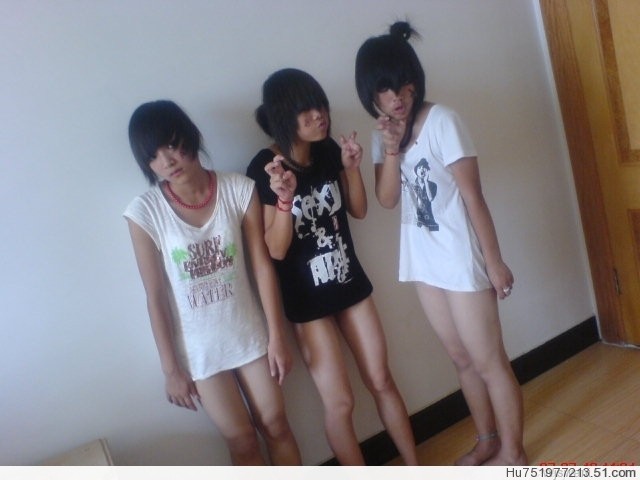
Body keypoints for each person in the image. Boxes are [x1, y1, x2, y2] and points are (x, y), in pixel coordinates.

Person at [354, 22, 527, 466]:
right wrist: (391, 149)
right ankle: (487, 440)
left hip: (461, 257)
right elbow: (387, 200)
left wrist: (495, 262)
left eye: (402, 85)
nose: (396, 97)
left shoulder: (443, 121)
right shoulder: (382, 137)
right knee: (460, 358)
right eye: (384, 90)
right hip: (423, 261)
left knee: (488, 360)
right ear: (371, 96)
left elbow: (473, 197)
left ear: (415, 81)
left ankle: (514, 454)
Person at [246, 68, 418, 466]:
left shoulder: (326, 151)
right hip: (307, 304)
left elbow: (358, 210)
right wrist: (285, 198)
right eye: (306, 110)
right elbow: (275, 249)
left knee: (381, 379)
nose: (319, 115)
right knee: (340, 403)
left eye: (320, 106)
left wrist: (351, 168)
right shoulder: (265, 167)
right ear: (284, 116)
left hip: (349, 282)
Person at [123, 100, 301, 466]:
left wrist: (277, 336)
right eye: (153, 156)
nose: (166, 161)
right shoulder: (145, 212)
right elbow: (155, 296)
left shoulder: (238, 188)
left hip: (249, 335)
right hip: (199, 350)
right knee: (241, 441)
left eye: (171, 145)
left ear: (189, 137)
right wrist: (171, 370)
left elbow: (261, 266)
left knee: (276, 424)